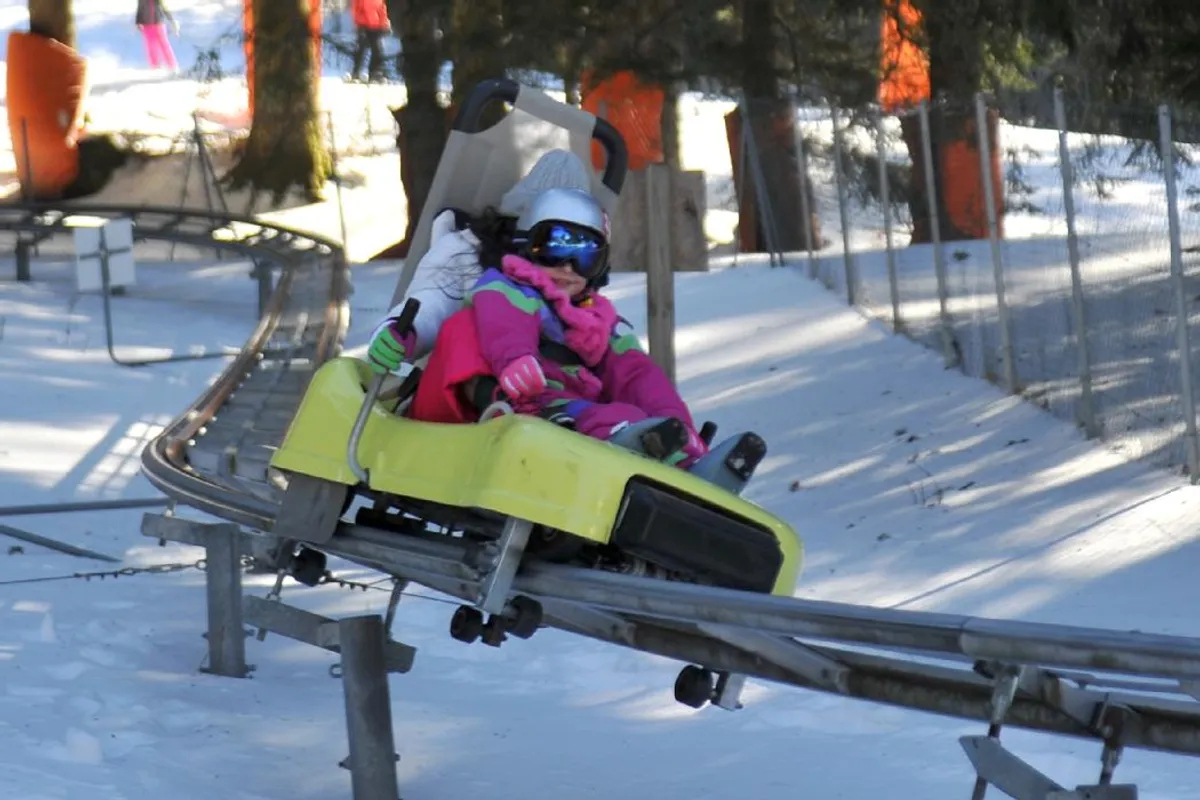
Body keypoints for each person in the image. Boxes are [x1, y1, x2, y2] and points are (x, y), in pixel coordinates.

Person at [403, 187, 766, 490]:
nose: (567, 267)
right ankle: (636, 444)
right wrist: (514, 359)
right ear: (526, 246)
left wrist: (676, 419)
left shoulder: (598, 319)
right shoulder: (509, 288)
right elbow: (504, 323)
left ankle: (695, 466)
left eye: (584, 257)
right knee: (612, 417)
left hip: (575, 404)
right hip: (534, 405)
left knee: (636, 409)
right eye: (555, 249)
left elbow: (637, 373)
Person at [366, 149, 593, 374]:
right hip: (467, 383)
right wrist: (407, 330)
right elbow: (434, 300)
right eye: (552, 241)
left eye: (580, 247)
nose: (566, 262)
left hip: (556, 386)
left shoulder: (576, 277)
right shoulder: (467, 253)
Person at [347, 0, 390, 83]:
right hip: (363, 25)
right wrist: (358, 22)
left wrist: (384, 23)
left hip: (376, 25)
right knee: (361, 48)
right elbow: (355, 9)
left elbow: (382, 9)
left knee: (377, 49)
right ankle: (355, 73)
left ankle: (375, 73)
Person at [135, 0, 179, 72]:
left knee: (164, 45)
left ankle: (172, 65)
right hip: (146, 25)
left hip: (158, 24)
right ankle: (155, 67)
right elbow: (140, 9)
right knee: (151, 47)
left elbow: (164, 8)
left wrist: (171, 19)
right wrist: (138, 22)